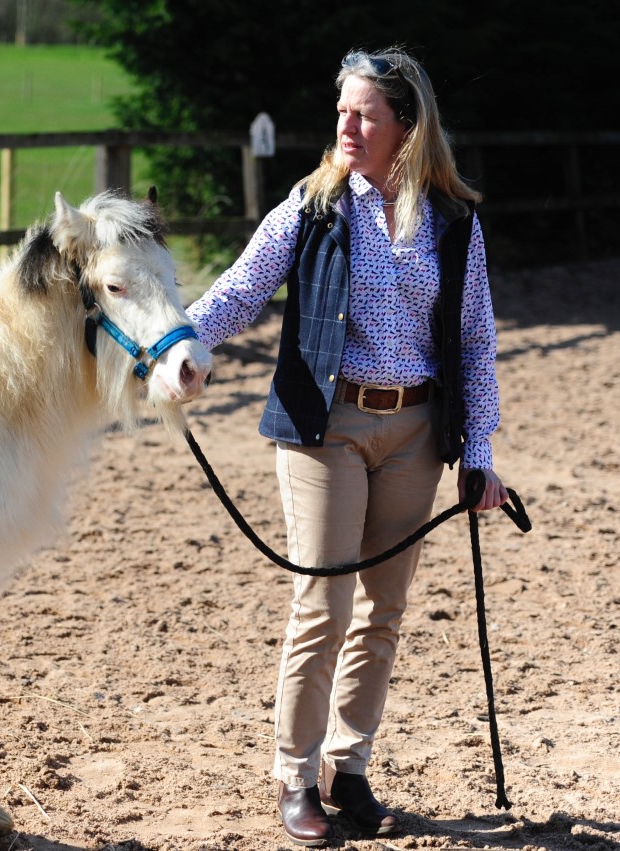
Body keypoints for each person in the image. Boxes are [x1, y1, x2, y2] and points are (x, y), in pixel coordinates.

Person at [185, 48, 508, 847]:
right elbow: (240, 289)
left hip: (416, 433)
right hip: (323, 425)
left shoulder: (453, 220)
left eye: (363, 114)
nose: (346, 127)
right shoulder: (313, 206)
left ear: (407, 125)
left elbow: (475, 338)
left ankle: (349, 766)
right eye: (342, 112)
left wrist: (479, 450)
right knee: (322, 602)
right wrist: (180, 345)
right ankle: (294, 777)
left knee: (383, 609)